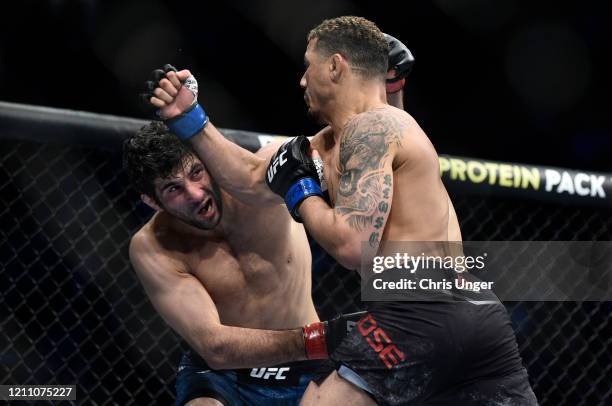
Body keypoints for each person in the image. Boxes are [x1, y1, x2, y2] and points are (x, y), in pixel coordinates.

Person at [126, 34, 412, 406]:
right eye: (173, 189)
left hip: (308, 363)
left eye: (196, 173)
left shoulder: (267, 171)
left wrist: (388, 88)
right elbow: (215, 346)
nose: (195, 194)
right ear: (151, 201)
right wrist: (325, 337)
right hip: (225, 374)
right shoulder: (154, 246)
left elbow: (372, 144)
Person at [264, 16, 538, 405]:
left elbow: (353, 246)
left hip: (416, 314)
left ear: (336, 65)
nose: (303, 80)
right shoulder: (391, 124)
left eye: (308, 65)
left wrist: (301, 191)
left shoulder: (368, 127)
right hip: (477, 309)